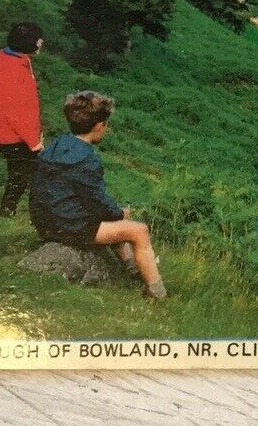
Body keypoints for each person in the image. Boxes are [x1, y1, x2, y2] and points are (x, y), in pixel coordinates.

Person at [30, 90, 167, 300]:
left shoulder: (55, 146)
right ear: (100, 125)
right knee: (139, 231)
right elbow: (98, 203)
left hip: (44, 221)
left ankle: (131, 267)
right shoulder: (87, 158)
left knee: (116, 218)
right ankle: (156, 293)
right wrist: (120, 213)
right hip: (68, 228)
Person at [0, 21, 44, 216]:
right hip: (16, 137)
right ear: (27, 43)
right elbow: (15, 112)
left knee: (23, 177)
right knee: (26, 177)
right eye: (38, 40)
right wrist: (34, 141)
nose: (41, 43)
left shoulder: (18, 62)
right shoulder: (13, 71)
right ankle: (14, 213)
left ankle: (12, 212)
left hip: (17, 135)